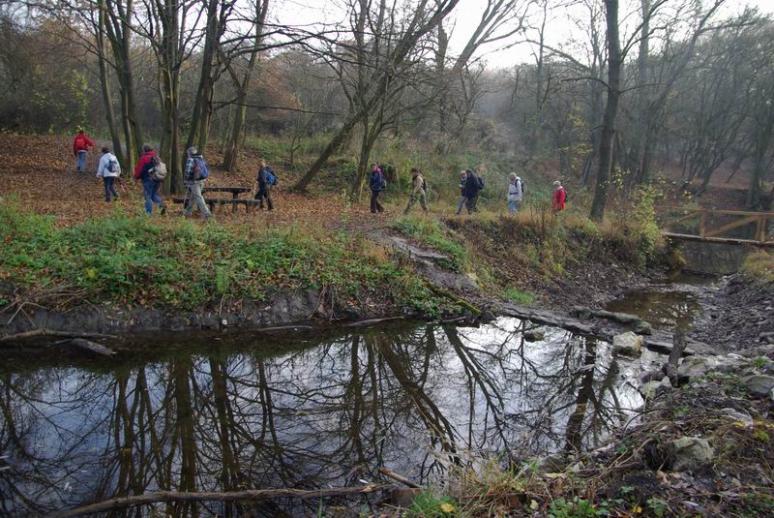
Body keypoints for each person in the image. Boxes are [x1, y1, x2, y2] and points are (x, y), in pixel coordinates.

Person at [133, 144, 167, 215]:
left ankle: (148, 213)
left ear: (144, 150)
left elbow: (139, 169)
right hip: (157, 179)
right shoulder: (157, 157)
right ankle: (161, 204)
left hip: (148, 179)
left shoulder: (144, 158)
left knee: (147, 196)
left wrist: (136, 177)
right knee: (153, 194)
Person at [183, 146, 212, 220]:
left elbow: (187, 172)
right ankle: (188, 212)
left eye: (188, 153)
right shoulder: (200, 158)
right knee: (193, 197)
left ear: (189, 153)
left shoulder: (191, 159)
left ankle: (207, 213)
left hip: (194, 182)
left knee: (198, 197)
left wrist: (186, 180)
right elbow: (207, 169)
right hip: (202, 180)